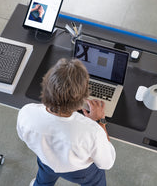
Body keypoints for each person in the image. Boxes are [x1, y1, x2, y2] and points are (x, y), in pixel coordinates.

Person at [17, 58, 116, 186]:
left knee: (43, 180)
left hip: (46, 161)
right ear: (81, 101)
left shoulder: (26, 112)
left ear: (46, 87)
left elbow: (23, 136)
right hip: (81, 172)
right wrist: (99, 121)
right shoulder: (92, 132)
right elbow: (107, 163)